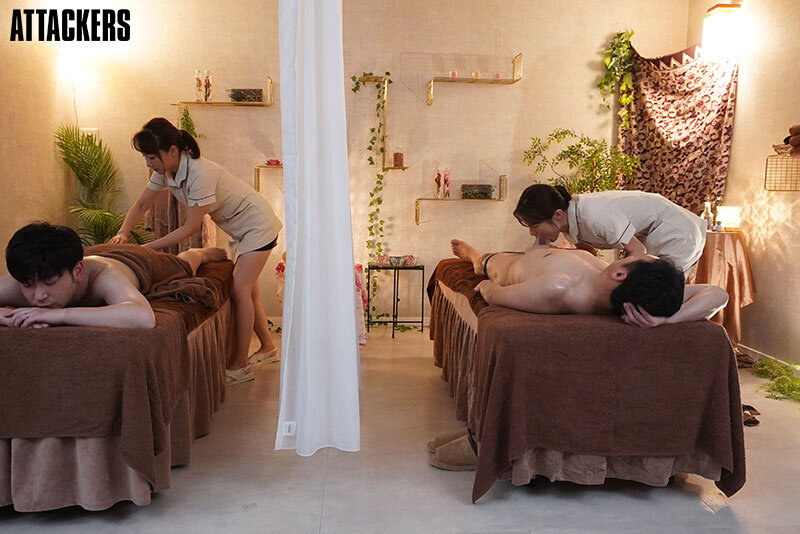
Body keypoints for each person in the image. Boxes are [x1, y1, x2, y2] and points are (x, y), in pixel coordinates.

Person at [109, 118, 282, 386]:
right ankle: (268, 348)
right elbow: (142, 203)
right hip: (240, 229)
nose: (149, 164)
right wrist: (123, 232)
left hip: (257, 225)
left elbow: (190, 227)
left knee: (240, 289)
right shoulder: (166, 171)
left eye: (152, 157)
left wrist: (145, 249)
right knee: (249, 292)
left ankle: (240, 365)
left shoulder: (200, 173)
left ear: (172, 151)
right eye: (146, 158)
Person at [450, 238, 728, 327]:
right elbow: (717, 293)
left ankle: (475, 255)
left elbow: (493, 294)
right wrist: (666, 320)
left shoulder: (558, 287)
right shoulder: (644, 290)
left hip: (518, 264)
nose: (634, 254)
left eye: (636, 257)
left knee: (485, 263)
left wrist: (483, 284)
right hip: (571, 258)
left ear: (620, 275)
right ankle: (561, 247)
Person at [1, 222, 226, 329]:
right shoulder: (29, 275)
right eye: (27, 285)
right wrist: (6, 317)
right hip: (95, 251)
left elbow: (143, 317)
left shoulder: (105, 276)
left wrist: (57, 315)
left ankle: (197, 253)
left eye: (50, 282)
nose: (38, 296)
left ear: (77, 272)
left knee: (184, 265)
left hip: (138, 260)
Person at [514, 185, 707, 278]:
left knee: (657, 297)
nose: (532, 232)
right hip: (658, 231)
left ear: (557, 214)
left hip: (677, 233)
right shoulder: (567, 220)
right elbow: (541, 247)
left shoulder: (595, 217)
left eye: (534, 226)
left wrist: (610, 274)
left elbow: (638, 251)